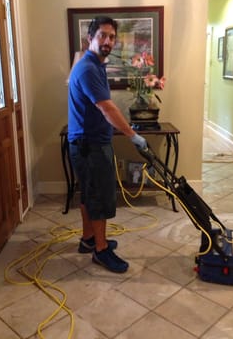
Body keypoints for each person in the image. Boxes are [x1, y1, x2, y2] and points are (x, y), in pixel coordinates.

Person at [68, 16, 147, 273]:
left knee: (89, 193)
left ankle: (88, 239)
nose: (107, 41)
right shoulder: (89, 68)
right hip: (89, 145)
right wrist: (131, 135)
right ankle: (100, 251)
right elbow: (107, 108)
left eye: (112, 37)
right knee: (100, 197)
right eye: (102, 35)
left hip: (86, 142)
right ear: (89, 38)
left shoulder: (95, 64)